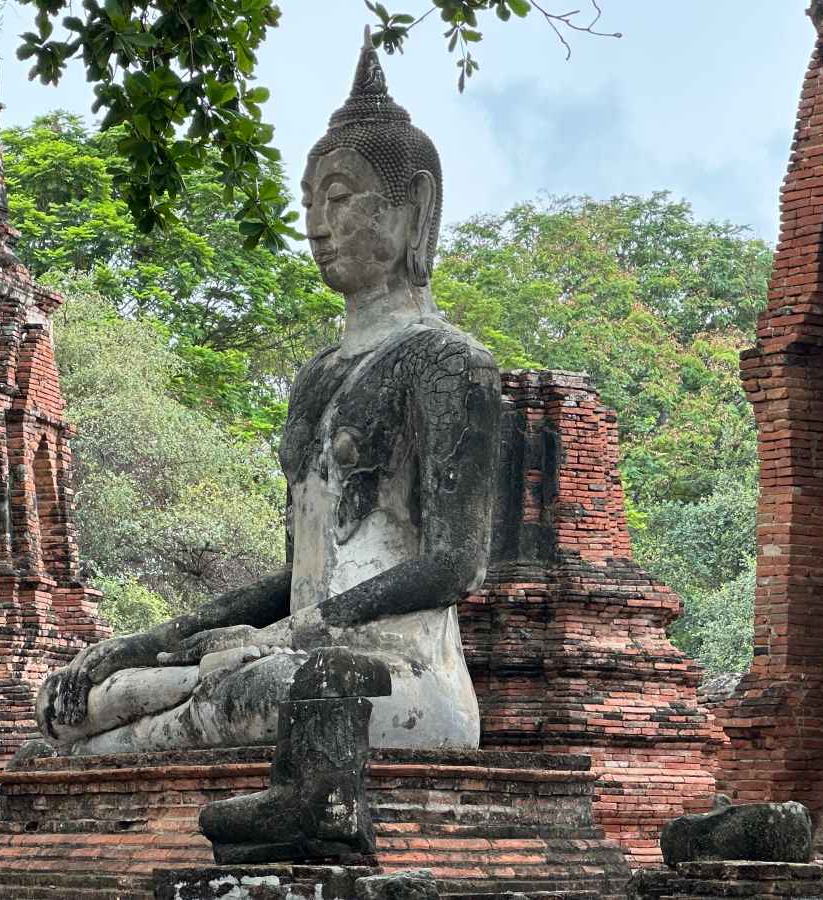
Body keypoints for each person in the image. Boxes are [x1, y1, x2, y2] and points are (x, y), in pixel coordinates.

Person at [35, 35, 501, 755]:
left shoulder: (449, 364)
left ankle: (128, 741)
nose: (318, 224)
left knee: (252, 690)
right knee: (72, 702)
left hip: (397, 671)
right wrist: (158, 637)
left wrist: (283, 636)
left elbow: (452, 565)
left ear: (415, 209)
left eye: (341, 199)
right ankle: (117, 732)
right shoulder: (315, 377)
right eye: (309, 201)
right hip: (292, 651)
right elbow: (301, 573)